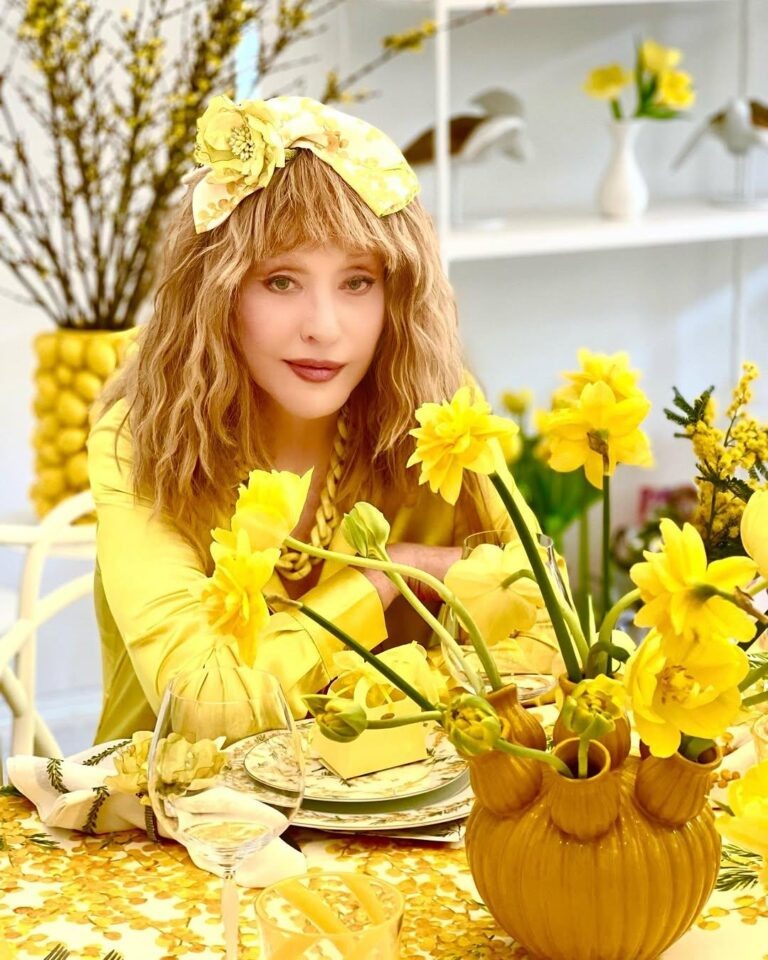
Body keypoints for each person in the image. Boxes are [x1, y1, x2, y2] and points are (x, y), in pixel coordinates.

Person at [87, 95, 526, 742]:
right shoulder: (140, 434)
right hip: (177, 802)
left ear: (398, 293)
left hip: (396, 795)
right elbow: (204, 706)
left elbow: (544, 620)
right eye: (281, 282)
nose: (323, 328)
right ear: (215, 292)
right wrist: (387, 576)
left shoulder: (438, 409)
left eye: (357, 282)